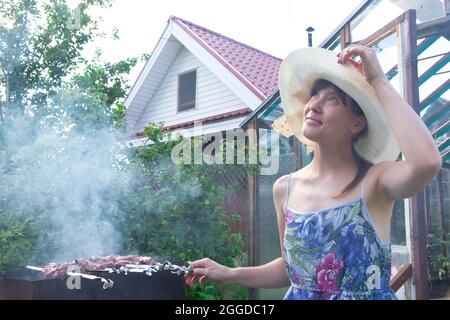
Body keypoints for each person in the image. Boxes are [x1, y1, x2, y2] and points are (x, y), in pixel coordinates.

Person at [184, 45, 442, 300]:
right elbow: (291, 270)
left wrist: (377, 81)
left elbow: (427, 162)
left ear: (357, 122)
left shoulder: (375, 182)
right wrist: (228, 273)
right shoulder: (284, 188)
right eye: (314, 95)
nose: (313, 105)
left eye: (332, 99)